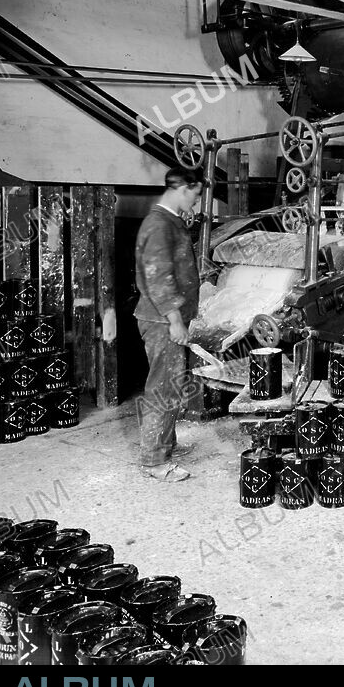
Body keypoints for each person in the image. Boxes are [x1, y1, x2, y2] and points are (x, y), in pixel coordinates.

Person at [134, 166, 203, 482]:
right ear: (185, 188)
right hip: (161, 320)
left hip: (167, 317)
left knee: (172, 382)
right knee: (164, 387)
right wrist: (175, 321)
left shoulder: (170, 221)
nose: (197, 202)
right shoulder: (159, 224)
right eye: (197, 194)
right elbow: (158, 278)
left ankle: (167, 444)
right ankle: (153, 460)